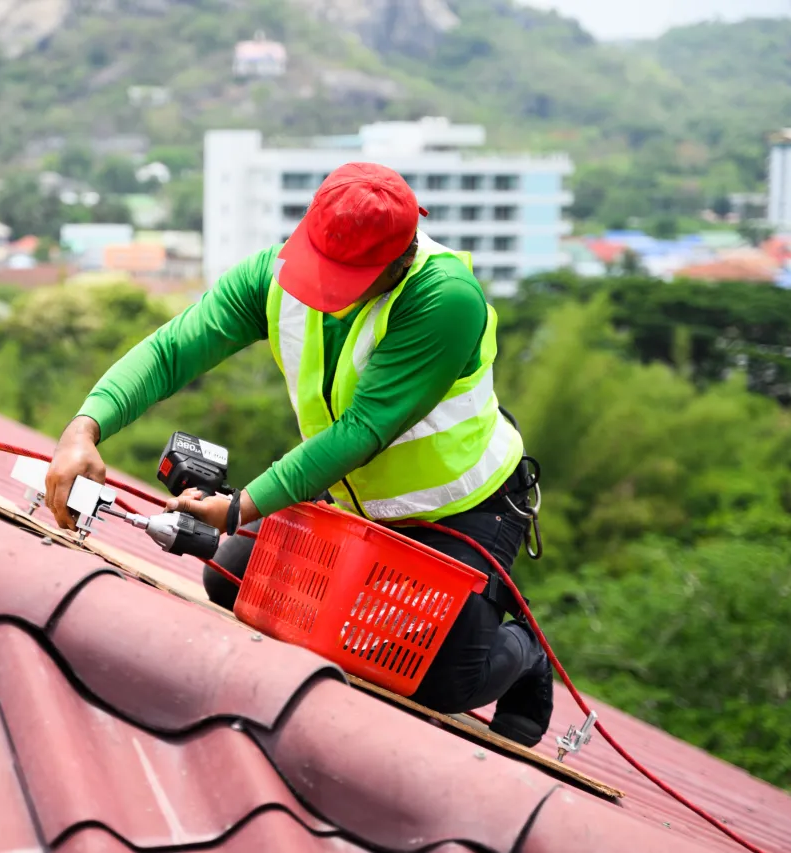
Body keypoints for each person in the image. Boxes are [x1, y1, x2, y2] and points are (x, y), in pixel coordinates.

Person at [45, 161, 553, 746]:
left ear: (399, 257)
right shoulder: (276, 271)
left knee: (436, 680)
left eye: (347, 276)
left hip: (461, 512)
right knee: (231, 582)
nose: (323, 290)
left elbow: (364, 430)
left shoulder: (445, 299)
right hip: (348, 499)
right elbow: (173, 350)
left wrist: (241, 507)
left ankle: (526, 652)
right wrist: (84, 428)